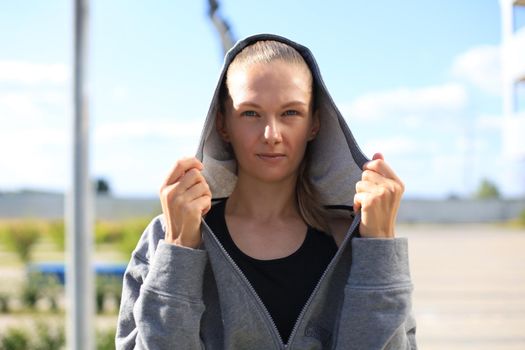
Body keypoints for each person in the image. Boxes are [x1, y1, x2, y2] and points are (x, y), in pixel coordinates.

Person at [116, 33, 417, 349]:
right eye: (250, 113)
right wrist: (178, 250)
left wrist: (379, 249)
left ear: (314, 123)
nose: (271, 134)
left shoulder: (357, 243)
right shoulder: (166, 238)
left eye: (290, 113)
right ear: (222, 125)